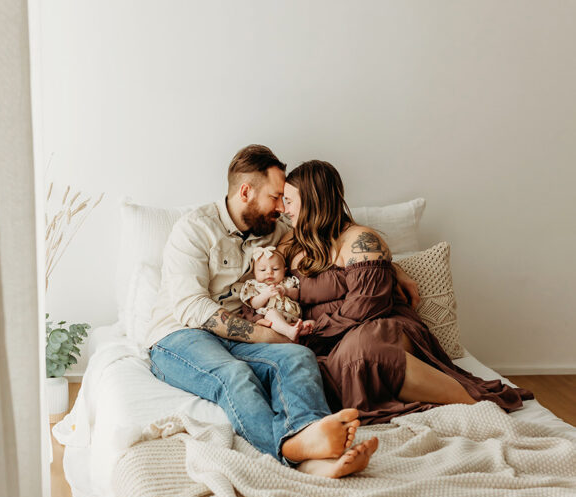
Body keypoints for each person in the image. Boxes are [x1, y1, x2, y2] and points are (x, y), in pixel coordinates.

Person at [145, 145, 379, 478]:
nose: (283, 208)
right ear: (246, 192)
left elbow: (330, 236)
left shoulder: (273, 229)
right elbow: (192, 307)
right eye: (276, 197)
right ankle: (288, 449)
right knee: (235, 375)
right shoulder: (194, 229)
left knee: (298, 357)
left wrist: (384, 265)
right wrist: (268, 335)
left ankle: (314, 446)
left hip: (238, 333)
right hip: (179, 335)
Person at [281, 160, 533, 423]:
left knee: (364, 348)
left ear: (312, 199)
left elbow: (365, 308)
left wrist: (312, 332)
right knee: (315, 366)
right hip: (329, 340)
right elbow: (264, 282)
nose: (283, 209)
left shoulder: (360, 240)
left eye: (289, 200)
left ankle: (475, 406)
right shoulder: (292, 242)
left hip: (379, 325)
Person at [239, 245, 315, 341]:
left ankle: (296, 330)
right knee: (272, 313)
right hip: (270, 321)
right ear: (254, 273)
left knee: (313, 323)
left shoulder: (287, 282)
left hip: (293, 319)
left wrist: (286, 291)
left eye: (275, 269)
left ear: (284, 270)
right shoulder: (254, 285)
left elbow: (297, 295)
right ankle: (289, 332)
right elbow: (254, 304)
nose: (269, 272)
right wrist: (266, 294)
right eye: (263, 270)